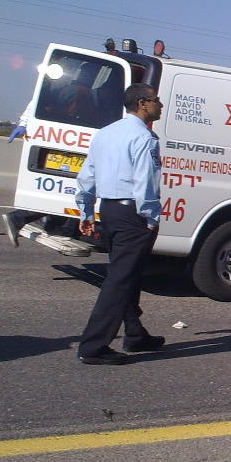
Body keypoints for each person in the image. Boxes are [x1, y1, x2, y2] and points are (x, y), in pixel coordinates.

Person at [74, 83, 166, 364]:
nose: (160, 105)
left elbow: (87, 175)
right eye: (156, 100)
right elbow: (145, 183)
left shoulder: (106, 133)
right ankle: (93, 346)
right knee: (120, 279)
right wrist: (150, 217)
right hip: (132, 214)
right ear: (142, 103)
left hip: (110, 211)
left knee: (128, 273)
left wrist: (86, 211)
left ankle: (135, 334)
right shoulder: (144, 138)